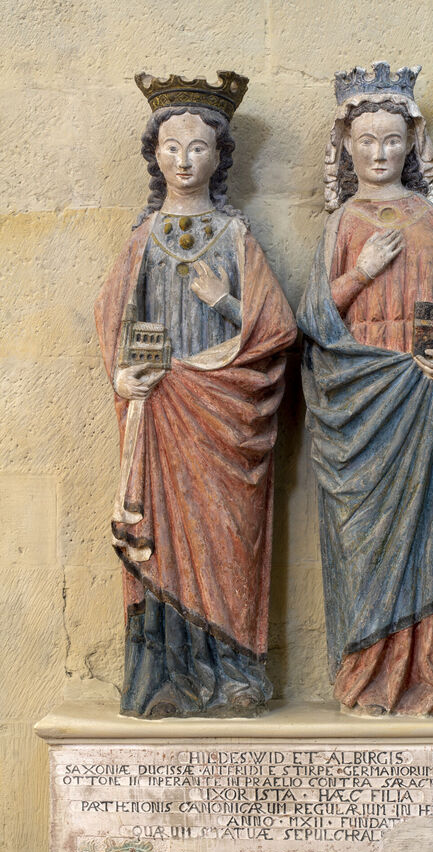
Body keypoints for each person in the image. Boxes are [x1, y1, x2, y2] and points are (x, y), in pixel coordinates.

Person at [297, 63, 433, 715]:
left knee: (432, 536)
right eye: (367, 141)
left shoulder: (427, 216)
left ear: (411, 145)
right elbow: (314, 318)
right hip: (361, 402)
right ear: (347, 149)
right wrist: (360, 272)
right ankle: (372, 677)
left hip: (426, 391)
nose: (379, 152)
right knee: (367, 543)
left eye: (391, 140)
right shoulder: (343, 223)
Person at [95, 72, 296, 718]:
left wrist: (223, 299)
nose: (184, 161)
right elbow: (113, 327)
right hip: (160, 417)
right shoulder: (143, 240)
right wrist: (127, 380)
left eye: (198, 148)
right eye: (171, 148)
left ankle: (233, 672)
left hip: (223, 419)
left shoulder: (236, 239)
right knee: (161, 539)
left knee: (228, 543)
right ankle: (162, 677)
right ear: (154, 155)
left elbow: (277, 330)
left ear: (220, 156)